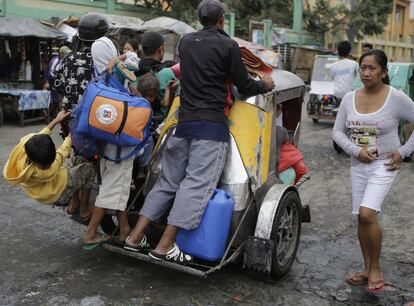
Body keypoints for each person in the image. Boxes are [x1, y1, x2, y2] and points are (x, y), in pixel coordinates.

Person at [124, 0, 275, 264]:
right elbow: (245, 85)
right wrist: (265, 84)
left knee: (168, 182)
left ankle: (134, 237)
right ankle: (165, 245)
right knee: (196, 186)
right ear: (221, 20)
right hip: (211, 127)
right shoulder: (228, 45)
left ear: (200, 18)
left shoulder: (186, 42)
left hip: (183, 124)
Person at [332, 50, 414, 293]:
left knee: (368, 214)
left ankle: (376, 268)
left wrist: (403, 151)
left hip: (385, 164)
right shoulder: (349, 98)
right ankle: (367, 268)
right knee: (360, 216)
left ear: (384, 72)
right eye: (363, 68)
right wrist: (355, 151)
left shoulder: (396, 98)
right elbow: (337, 132)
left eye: (372, 68)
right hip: (359, 164)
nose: (366, 73)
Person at [82, 37, 138, 248]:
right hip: (120, 143)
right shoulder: (117, 71)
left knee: (115, 185)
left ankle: (124, 229)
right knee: (112, 190)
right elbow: (135, 61)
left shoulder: (96, 76)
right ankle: (90, 233)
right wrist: (121, 58)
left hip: (103, 142)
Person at [53, 13, 110, 219]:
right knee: (90, 160)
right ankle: (84, 205)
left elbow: (57, 85)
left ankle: (74, 201)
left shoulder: (69, 58)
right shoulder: (103, 61)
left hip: (68, 119)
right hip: (91, 120)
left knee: (74, 155)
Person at [3, 110, 95, 207]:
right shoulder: (45, 172)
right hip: (54, 194)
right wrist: (71, 135)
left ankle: (74, 204)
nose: (49, 165)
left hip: (44, 185)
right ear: (36, 163)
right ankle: (84, 209)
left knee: (78, 160)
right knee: (89, 169)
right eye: (48, 165)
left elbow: (42, 134)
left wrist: (56, 120)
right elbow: (62, 153)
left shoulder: (26, 144)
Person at [48, 46, 72, 121]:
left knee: (57, 101)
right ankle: (49, 116)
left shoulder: (63, 60)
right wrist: (57, 81)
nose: (67, 55)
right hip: (54, 84)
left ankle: (54, 117)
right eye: (65, 54)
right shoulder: (56, 60)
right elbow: (51, 73)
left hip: (59, 84)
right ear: (61, 54)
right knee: (55, 101)